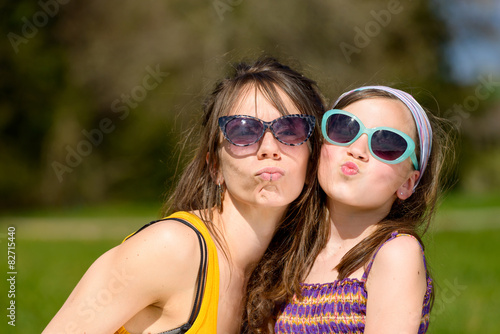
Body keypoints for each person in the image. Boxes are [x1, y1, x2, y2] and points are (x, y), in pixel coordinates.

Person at [42, 57, 327, 334]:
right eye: (243, 130)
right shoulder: (173, 249)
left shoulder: (281, 280)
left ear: (312, 160)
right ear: (214, 166)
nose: (269, 147)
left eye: (290, 129)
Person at [244, 86, 455, 333]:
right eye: (344, 129)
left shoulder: (395, 254)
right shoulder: (288, 250)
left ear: (408, 183)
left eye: (387, 143)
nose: (357, 150)